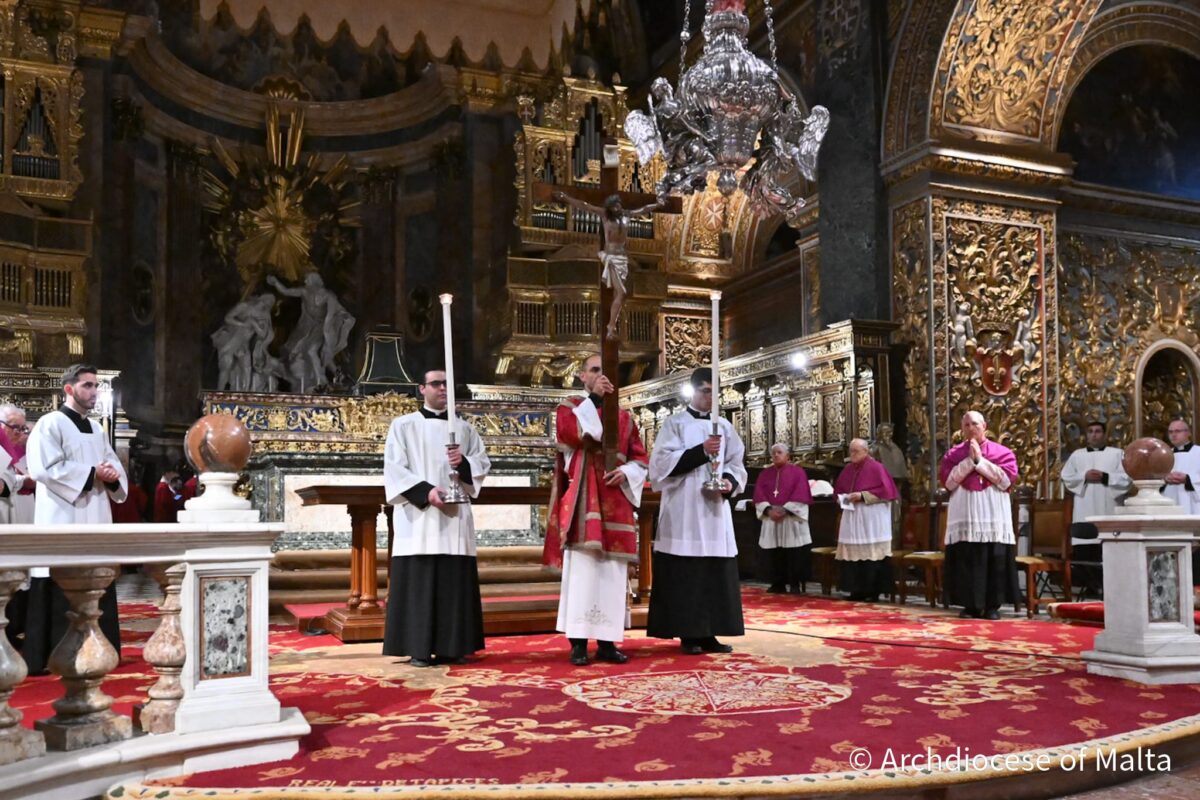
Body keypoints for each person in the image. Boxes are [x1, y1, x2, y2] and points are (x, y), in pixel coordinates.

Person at [543, 354, 648, 666]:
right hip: (584, 498)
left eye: (606, 370)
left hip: (615, 500)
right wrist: (596, 400)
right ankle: (577, 642)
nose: (602, 375)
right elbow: (574, 434)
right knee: (583, 573)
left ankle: (607, 641)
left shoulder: (625, 417)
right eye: (595, 370)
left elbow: (640, 457)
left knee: (611, 574)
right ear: (582, 376)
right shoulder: (571, 407)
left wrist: (627, 473)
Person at [23, 364, 127, 674]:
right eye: (87, 386)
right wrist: (92, 474)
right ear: (69, 389)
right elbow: (43, 468)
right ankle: (52, 654)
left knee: (97, 575)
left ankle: (100, 648)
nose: (94, 392)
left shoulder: (96, 429)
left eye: (96, 386)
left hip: (95, 514)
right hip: (62, 515)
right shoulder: (50, 423)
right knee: (59, 574)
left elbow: (113, 466)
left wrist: (110, 476)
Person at [382, 369, 490, 667]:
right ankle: (418, 647)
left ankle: (452, 647)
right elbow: (394, 468)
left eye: (447, 384)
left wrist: (464, 463)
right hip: (419, 518)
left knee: (453, 581)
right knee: (420, 580)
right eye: (436, 384)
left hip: (455, 518)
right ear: (422, 389)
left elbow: (481, 463)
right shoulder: (403, 425)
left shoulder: (465, 429)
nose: (443, 389)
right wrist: (427, 492)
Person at [648, 367, 747, 655]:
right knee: (687, 573)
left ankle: (709, 632)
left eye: (715, 392)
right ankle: (688, 633)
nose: (710, 397)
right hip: (684, 509)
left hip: (714, 510)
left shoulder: (725, 426)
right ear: (693, 391)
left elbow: (736, 462)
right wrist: (700, 451)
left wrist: (728, 482)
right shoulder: (675, 423)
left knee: (713, 572)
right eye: (705, 391)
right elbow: (660, 465)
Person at [939, 411, 1019, 620]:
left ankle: (992, 606)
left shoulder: (1003, 452)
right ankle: (970, 605)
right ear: (961, 429)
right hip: (965, 514)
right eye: (966, 425)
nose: (970, 428)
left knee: (995, 558)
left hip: (993, 513)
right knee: (967, 558)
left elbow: (1006, 481)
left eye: (974, 423)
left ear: (984, 426)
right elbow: (949, 483)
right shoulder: (953, 454)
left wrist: (980, 461)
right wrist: (969, 461)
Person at [552, 191, 660, 341]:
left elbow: (644, 209)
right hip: (611, 257)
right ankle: (610, 326)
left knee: (618, 294)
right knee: (621, 292)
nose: (617, 208)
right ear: (610, 208)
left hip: (622, 258)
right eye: (614, 206)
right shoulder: (605, 216)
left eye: (619, 205)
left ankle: (612, 327)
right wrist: (566, 198)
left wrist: (658, 204)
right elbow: (585, 206)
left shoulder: (627, 215)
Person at [1059, 421, 1130, 595]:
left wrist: (1105, 477)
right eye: (1090, 431)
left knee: (1107, 548)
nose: (1094, 435)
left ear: (1104, 434)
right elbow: (1066, 476)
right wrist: (1084, 476)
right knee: (1085, 547)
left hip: (1109, 505)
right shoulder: (1077, 455)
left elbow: (1127, 478)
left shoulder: (1117, 454)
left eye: (1098, 431)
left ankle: (1110, 587)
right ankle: (1090, 587)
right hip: (1085, 505)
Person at [834, 439, 899, 602]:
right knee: (853, 554)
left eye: (856, 451)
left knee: (872, 554)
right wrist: (843, 498)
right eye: (851, 451)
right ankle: (856, 590)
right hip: (852, 518)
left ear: (866, 451)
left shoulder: (877, 468)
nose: (852, 454)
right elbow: (839, 491)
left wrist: (862, 495)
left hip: (872, 519)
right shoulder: (848, 469)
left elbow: (887, 492)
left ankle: (873, 591)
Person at [753, 442, 812, 594]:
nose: (776, 455)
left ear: (787, 456)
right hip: (771, 518)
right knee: (774, 553)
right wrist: (768, 510)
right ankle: (777, 583)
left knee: (793, 553)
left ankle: (794, 584)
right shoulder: (765, 474)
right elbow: (759, 494)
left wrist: (785, 510)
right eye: (774, 453)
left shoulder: (797, 472)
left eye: (779, 452)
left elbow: (801, 492)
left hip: (790, 518)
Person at [1164, 419, 1200, 584]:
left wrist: (1188, 479)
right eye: (1171, 432)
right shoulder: (1164, 456)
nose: (1173, 435)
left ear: (1188, 433)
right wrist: (1164, 479)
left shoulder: (1198, 452)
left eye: (1177, 431)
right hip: (1171, 508)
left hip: (1194, 507)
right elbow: (1155, 480)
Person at [0, 404, 35, 524]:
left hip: (23, 509)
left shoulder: (21, 450)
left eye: (22, 428)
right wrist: (23, 480)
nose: (20, 433)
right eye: (15, 427)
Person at [109, 450, 150, 523]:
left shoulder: (110, 490)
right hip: (133, 520)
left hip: (117, 522)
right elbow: (143, 502)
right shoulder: (134, 489)